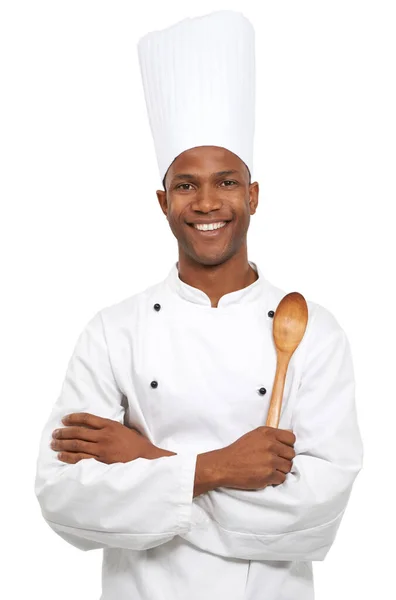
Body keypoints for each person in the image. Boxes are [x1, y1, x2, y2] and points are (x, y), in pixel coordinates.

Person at [34, 10, 364, 600]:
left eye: (227, 181)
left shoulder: (313, 331)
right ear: (163, 201)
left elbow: (315, 519)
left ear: (254, 195)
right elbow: (65, 501)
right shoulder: (114, 332)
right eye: (186, 184)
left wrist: (148, 462)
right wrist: (219, 468)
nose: (207, 202)